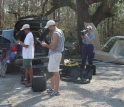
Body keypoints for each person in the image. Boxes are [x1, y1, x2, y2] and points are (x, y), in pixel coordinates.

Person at [41, 20, 64, 96]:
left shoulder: (56, 34)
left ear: (51, 26)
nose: (48, 29)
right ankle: (53, 88)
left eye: (48, 27)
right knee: (52, 72)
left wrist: (45, 45)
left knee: (55, 72)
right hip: (55, 54)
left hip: (55, 54)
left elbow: (53, 47)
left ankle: (56, 90)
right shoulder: (60, 31)